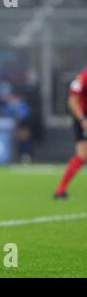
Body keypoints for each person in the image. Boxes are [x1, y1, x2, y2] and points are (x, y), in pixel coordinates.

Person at [54, 68, 87, 199]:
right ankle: (60, 189)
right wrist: (82, 120)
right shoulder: (82, 77)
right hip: (83, 117)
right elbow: (72, 101)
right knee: (82, 155)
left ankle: (60, 189)